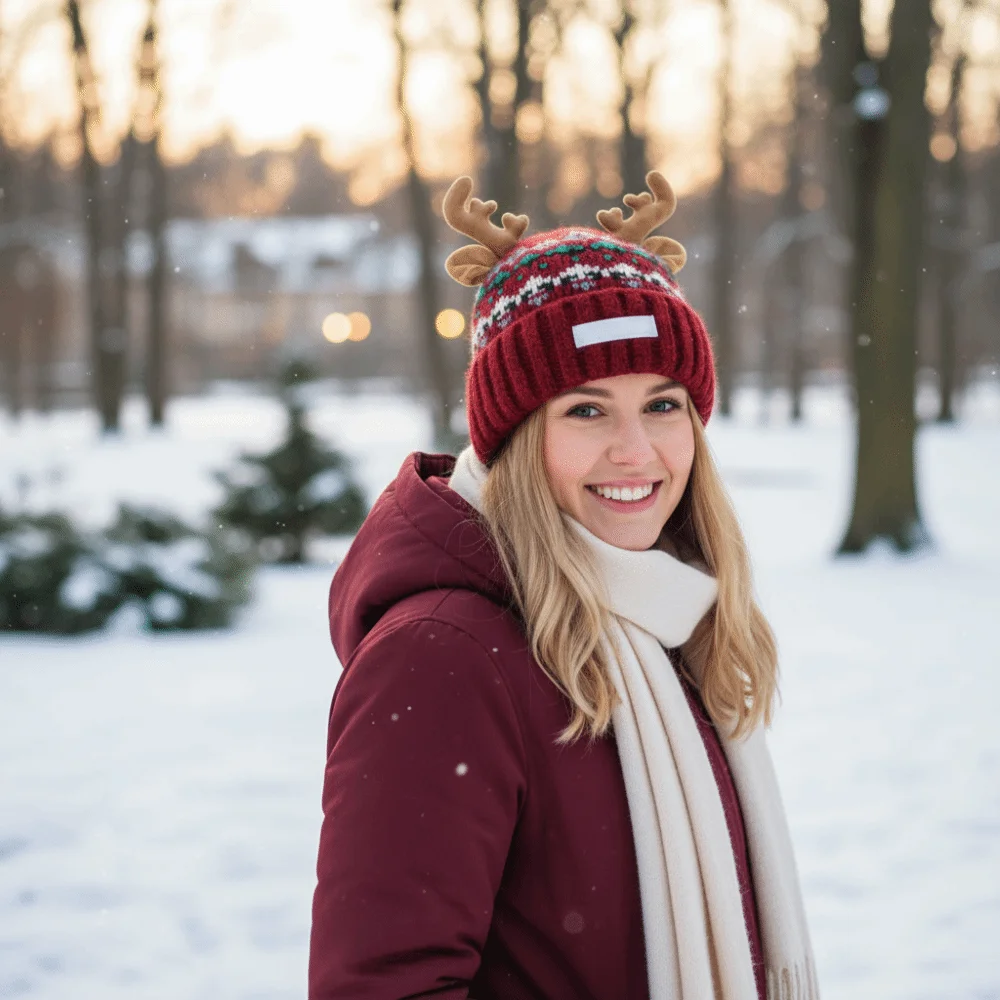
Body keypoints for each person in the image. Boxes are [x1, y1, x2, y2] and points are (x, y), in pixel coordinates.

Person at [308, 172, 819, 1000]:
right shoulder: (442, 658)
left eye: (663, 405)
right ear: (513, 439)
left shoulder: (666, 615)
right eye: (585, 411)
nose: (637, 452)